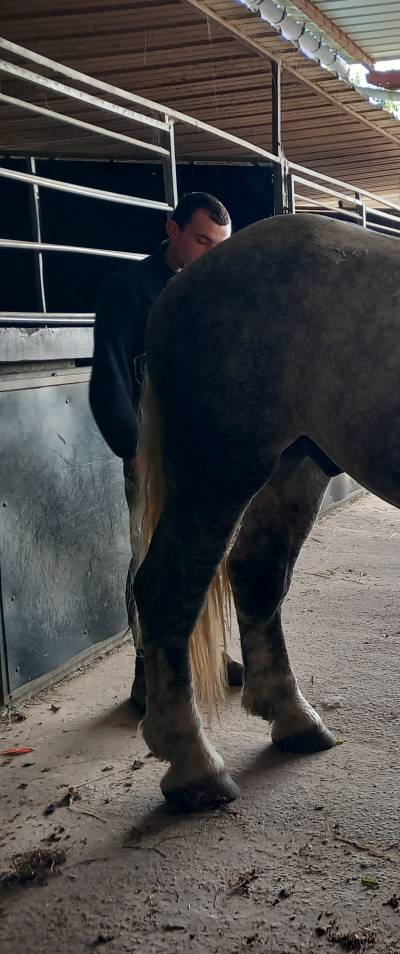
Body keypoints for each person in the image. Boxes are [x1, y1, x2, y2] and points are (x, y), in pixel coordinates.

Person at [89, 192, 237, 712]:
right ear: (172, 230)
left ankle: (208, 655)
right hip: (151, 451)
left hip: (206, 447)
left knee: (210, 550)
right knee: (150, 554)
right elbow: (109, 371)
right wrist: (130, 447)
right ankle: (147, 668)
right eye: (201, 241)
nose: (210, 254)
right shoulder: (127, 288)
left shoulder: (215, 292)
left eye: (219, 246)